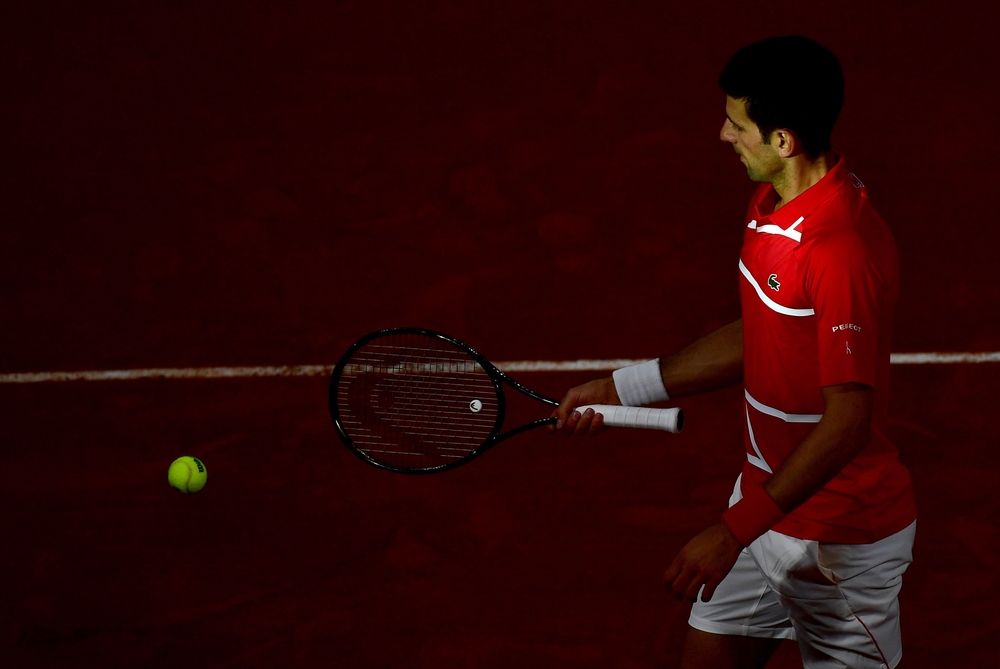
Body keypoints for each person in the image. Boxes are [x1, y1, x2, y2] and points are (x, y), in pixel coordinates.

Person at [551, 36, 917, 669]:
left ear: (784, 140)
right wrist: (624, 387)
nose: (724, 135)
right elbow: (760, 331)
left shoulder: (838, 250)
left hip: (839, 544)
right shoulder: (773, 205)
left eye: (737, 123)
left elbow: (849, 423)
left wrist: (731, 531)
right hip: (766, 503)